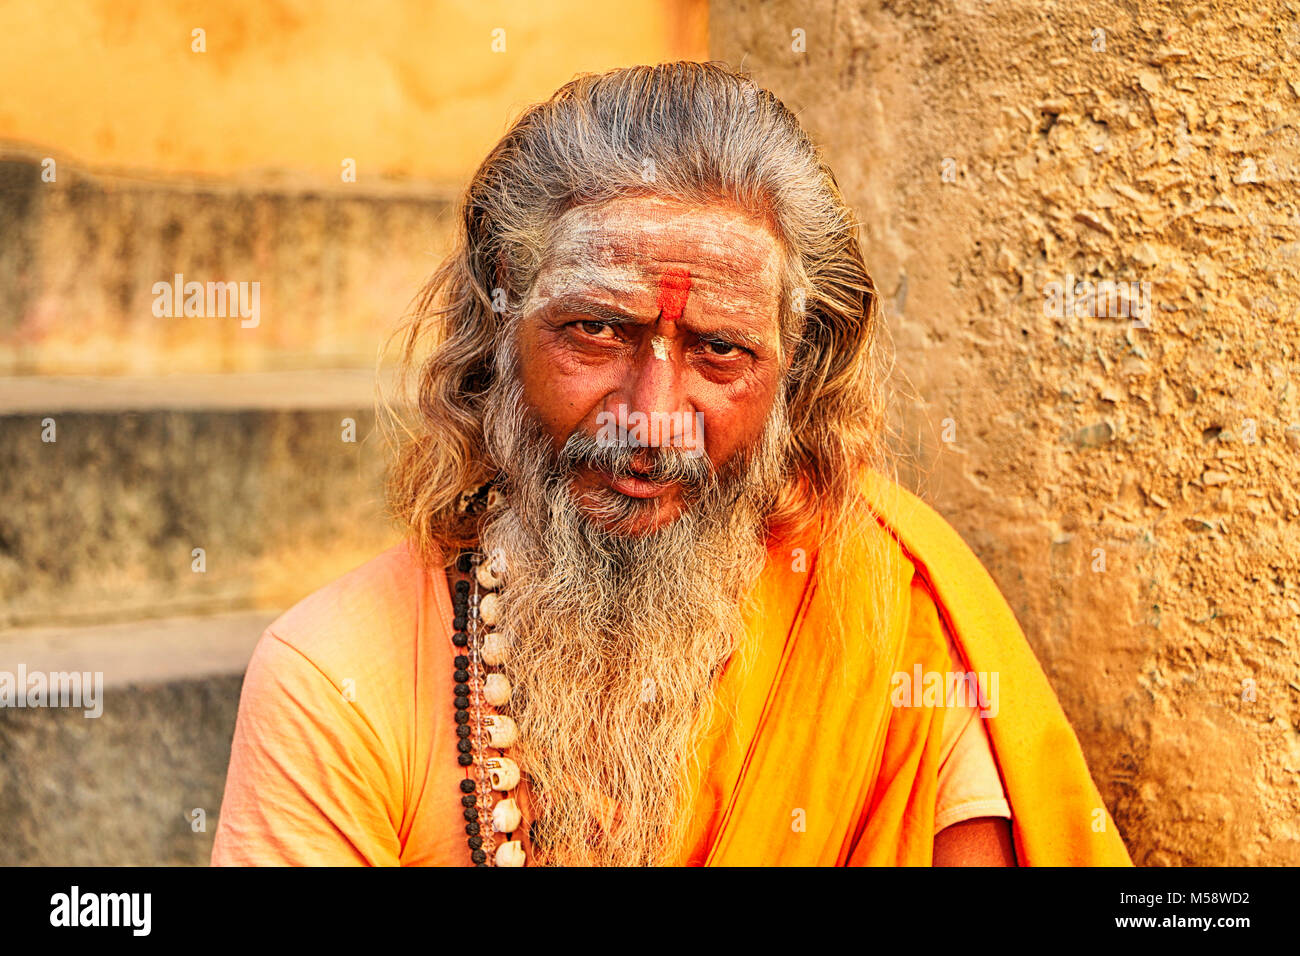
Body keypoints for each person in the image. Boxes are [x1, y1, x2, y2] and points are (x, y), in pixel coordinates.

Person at [211, 61, 1131, 867]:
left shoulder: (886, 614)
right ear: (500, 335)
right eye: (595, 330)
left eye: (721, 351)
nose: (653, 425)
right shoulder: (334, 678)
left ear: (795, 376)